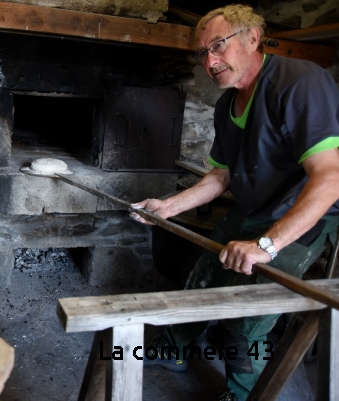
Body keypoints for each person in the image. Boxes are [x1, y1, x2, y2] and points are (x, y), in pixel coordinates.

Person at [130, 4, 339, 401]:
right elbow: (221, 175)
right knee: (201, 282)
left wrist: (265, 246)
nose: (210, 60)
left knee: (245, 322)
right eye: (202, 53)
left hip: (304, 219)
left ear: (252, 38)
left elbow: (331, 178)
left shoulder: (298, 83)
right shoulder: (227, 105)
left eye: (218, 46)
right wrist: (168, 207)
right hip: (251, 211)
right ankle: (175, 349)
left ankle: (245, 394)